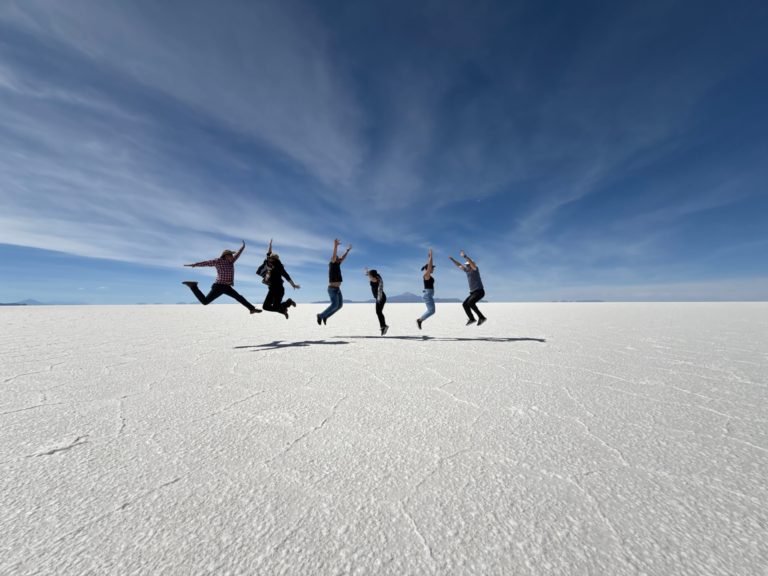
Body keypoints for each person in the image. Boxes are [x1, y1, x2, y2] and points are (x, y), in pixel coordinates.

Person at [182, 241, 261, 314]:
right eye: (230, 255)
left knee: (239, 297)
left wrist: (243, 247)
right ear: (225, 255)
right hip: (219, 286)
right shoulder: (218, 261)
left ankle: (251, 309)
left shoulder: (231, 262)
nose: (232, 256)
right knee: (205, 302)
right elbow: (207, 263)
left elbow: (238, 254)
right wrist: (195, 264)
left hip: (227, 286)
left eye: (232, 255)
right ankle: (193, 286)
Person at [258, 239, 300, 319]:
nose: (268, 259)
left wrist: (293, 284)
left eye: (270, 258)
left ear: (274, 260)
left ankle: (288, 303)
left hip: (277, 290)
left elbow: (287, 276)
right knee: (268, 306)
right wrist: (270, 245)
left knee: (271, 306)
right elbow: (268, 254)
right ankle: (285, 308)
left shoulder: (278, 267)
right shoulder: (270, 264)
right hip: (273, 289)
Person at [317, 238, 351, 325]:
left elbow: (343, 258)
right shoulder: (332, 263)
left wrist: (347, 251)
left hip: (337, 289)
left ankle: (325, 316)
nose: (339, 259)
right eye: (337, 258)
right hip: (332, 289)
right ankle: (320, 315)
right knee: (335, 305)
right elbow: (334, 254)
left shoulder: (338, 264)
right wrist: (335, 245)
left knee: (339, 306)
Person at [449, 250, 487, 326]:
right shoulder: (467, 270)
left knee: (470, 303)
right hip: (473, 292)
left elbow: (472, 264)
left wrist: (465, 256)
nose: (466, 266)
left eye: (467, 265)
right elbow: (459, 265)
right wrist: (453, 260)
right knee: (465, 304)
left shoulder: (475, 269)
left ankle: (482, 317)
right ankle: (472, 319)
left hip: (479, 291)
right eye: (466, 265)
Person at [365, 268, 388, 335]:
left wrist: (368, 273)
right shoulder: (377, 277)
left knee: (378, 312)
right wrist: (367, 272)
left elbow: (371, 278)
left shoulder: (375, 279)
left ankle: (383, 326)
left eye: (369, 275)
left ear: (372, 275)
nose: (368, 276)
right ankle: (383, 326)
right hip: (380, 297)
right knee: (379, 312)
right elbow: (370, 277)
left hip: (380, 298)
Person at [417, 248, 435, 330]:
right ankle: (420, 320)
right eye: (432, 268)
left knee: (432, 311)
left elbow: (429, 266)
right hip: (428, 295)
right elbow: (429, 266)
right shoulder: (426, 275)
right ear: (428, 268)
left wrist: (429, 258)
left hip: (429, 295)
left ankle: (420, 320)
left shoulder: (428, 275)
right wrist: (431, 257)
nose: (433, 269)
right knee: (431, 311)